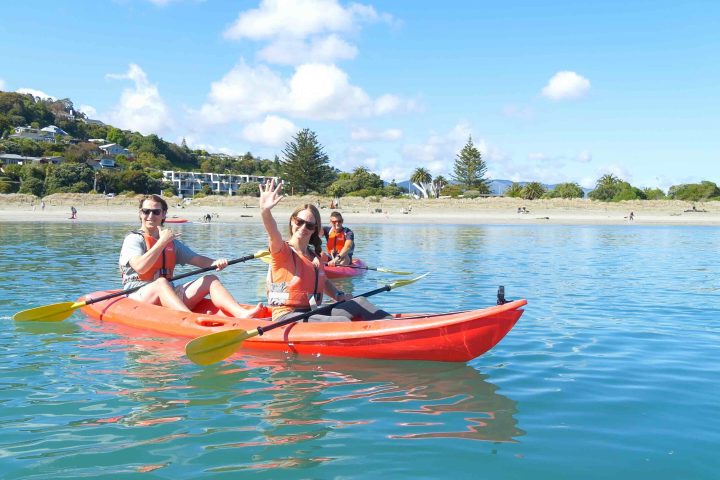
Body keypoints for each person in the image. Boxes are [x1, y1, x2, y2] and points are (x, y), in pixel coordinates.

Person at [259, 179, 391, 323]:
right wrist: (265, 211)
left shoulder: (314, 256)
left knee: (359, 302)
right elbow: (272, 232)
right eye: (299, 222)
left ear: (315, 229)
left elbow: (324, 281)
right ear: (292, 221)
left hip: (312, 311)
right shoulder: (282, 251)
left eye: (309, 225)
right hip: (286, 316)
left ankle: (395, 326)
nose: (303, 227)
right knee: (342, 321)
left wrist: (339, 295)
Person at [119, 194, 261, 317]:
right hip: (137, 296)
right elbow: (141, 268)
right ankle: (188, 318)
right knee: (161, 282)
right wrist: (162, 242)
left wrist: (216, 262)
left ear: (163, 214)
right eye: (146, 211)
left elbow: (198, 259)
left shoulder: (172, 244)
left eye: (156, 212)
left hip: (167, 292)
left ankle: (241, 313)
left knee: (210, 279)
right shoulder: (134, 239)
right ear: (140, 213)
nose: (150, 216)